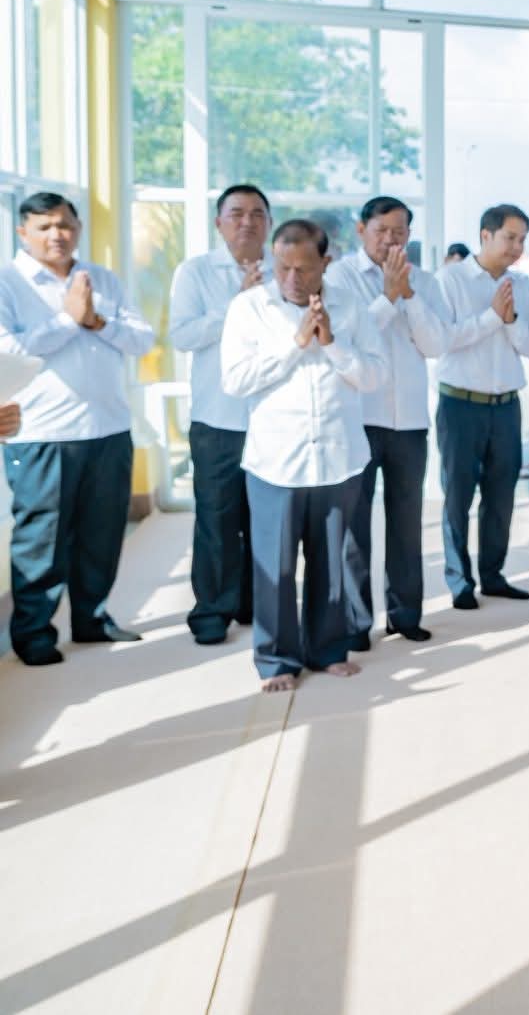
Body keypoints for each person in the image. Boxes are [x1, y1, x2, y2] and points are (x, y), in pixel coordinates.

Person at [221, 220, 386, 692]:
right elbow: (235, 380)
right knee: (274, 568)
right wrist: (294, 345)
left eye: (304, 268)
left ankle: (328, 650)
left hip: (339, 456)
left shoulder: (351, 307)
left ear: (325, 263)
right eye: (283, 267)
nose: (291, 278)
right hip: (276, 462)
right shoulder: (249, 308)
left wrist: (331, 342)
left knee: (330, 563)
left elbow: (374, 377)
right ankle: (277, 660)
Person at [0, 193, 157, 666]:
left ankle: (93, 618)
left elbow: (142, 339)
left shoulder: (101, 279)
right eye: (45, 226)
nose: (58, 235)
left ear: (79, 228)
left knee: (101, 535)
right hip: (41, 433)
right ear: (23, 232)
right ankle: (33, 635)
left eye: (66, 225)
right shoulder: (8, 283)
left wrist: (96, 320)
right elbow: (10, 351)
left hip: (108, 428)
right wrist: (68, 320)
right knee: (41, 540)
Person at [332, 197, 451, 645]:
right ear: (362, 229)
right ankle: (355, 622)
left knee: (406, 521)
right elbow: (347, 338)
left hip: (410, 420)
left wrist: (409, 296)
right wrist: (387, 297)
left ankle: (405, 614)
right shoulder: (341, 276)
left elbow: (436, 344)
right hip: (359, 416)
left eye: (399, 231)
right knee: (354, 524)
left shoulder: (424, 281)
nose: (390, 239)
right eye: (381, 230)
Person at [169, 183, 271, 646]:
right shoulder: (196, 272)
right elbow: (184, 335)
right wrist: (238, 302)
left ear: (268, 222)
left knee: (265, 519)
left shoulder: (285, 271)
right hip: (217, 419)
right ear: (219, 223)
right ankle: (212, 611)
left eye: (257, 214)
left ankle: (254, 603)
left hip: (272, 419)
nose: (247, 222)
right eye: (237, 214)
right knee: (217, 519)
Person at [434, 205, 529, 607]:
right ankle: (459, 581)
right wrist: (492, 318)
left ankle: (493, 575)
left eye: (522, 240)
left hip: (506, 407)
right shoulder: (451, 279)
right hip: (460, 404)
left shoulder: (522, 285)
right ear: (486, 235)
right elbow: (443, 339)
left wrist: (510, 319)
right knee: (458, 496)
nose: (517, 247)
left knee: (501, 496)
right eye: (510, 238)